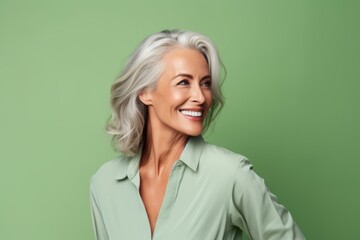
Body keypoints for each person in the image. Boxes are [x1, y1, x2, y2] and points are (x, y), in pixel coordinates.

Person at [90, 29, 305, 240]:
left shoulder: (230, 175)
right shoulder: (105, 183)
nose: (200, 97)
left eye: (205, 83)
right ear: (145, 92)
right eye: (184, 82)